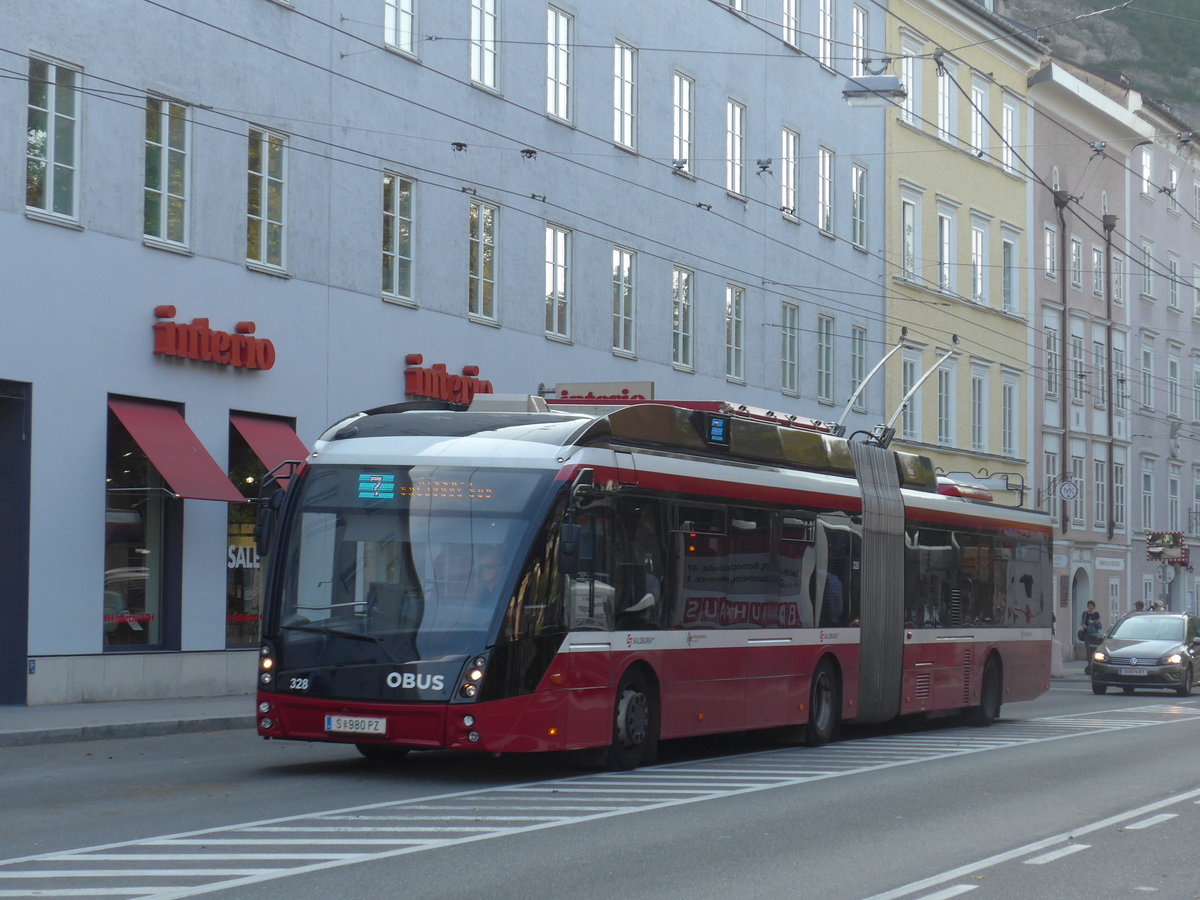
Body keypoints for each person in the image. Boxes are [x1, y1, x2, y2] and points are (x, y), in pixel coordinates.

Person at [1079, 601, 1103, 674]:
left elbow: (1099, 623)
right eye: (1089, 605)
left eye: (1091, 605)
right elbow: (1082, 622)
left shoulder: (1096, 614)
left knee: (1094, 649)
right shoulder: (1085, 613)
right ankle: (1089, 665)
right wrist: (1084, 626)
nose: (1090, 607)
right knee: (1088, 650)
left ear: (1093, 606)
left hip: (1094, 634)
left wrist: (1093, 622)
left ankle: (1094, 665)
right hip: (1086, 633)